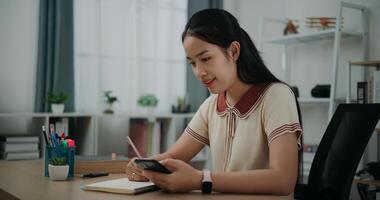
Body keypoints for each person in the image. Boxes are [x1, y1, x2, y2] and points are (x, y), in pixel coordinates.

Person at [126, 8, 302, 196]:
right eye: (193, 63)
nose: (199, 72)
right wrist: (147, 166)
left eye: (206, 58)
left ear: (233, 51)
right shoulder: (211, 106)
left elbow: (283, 180)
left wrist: (201, 179)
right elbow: (172, 158)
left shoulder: (276, 96)